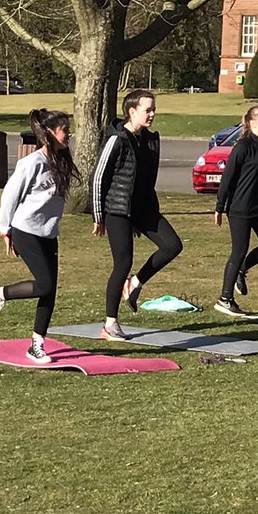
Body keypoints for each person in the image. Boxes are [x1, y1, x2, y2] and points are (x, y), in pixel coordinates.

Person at [0, 108, 78, 363]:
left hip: (48, 233)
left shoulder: (62, 160)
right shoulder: (31, 163)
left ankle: (36, 345)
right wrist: (5, 229)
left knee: (49, 291)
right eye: (64, 130)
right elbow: (9, 196)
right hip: (25, 231)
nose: (69, 134)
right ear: (49, 133)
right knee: (44, 284)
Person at [90, 89, 183, 339]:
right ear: (132, 111)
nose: (152, 114)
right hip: (117, 209)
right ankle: (110, 324)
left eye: (154, 109)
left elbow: (145, 180)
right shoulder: (117, 139)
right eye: (147, 110)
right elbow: (99, 177)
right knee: (123, 263)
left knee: (172, 245)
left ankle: (136, 283)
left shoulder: (149, 140)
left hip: (144, 209)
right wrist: (98, 215)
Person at [214, 104, 258, 316]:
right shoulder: (243, 146)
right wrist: (219, 207)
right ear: (252, 123)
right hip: (239, 209)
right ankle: (225, 299)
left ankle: (243, 269)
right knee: (238, 250)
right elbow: (228, 178)